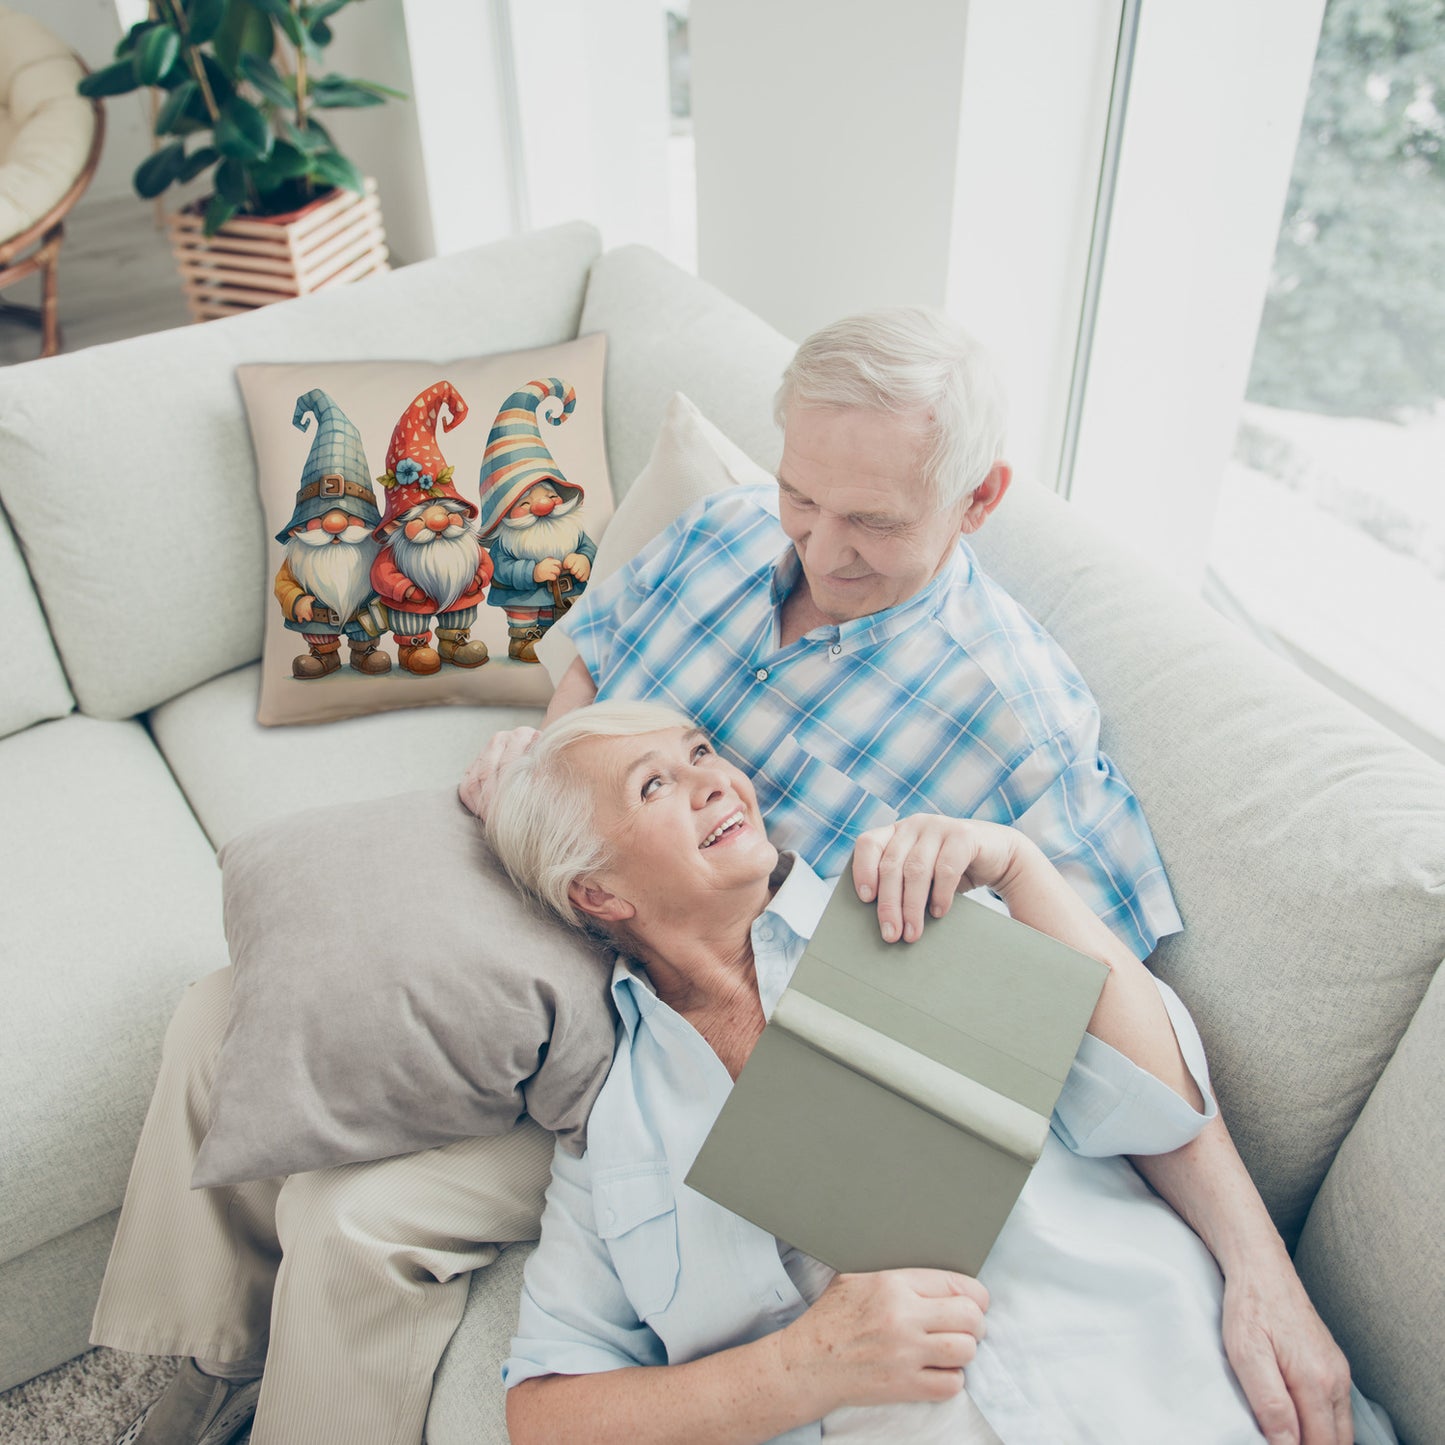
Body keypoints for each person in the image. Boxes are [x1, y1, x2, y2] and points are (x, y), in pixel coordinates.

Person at [95, 309, 1348, 1445]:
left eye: (871, 520)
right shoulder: (725, 533)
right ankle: (189, 1367)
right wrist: (546, 763)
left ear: (976, 501)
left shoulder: (1016, 724)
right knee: (228, 1008)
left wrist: (1259, 1266)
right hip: (582, 888)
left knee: (355, 1219)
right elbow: (590, 668)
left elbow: (1103, 1019)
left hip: (693, 1012)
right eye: (804, 495)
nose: (818, 545)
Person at [487, 702, 1385, 1445]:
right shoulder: (614, 1132)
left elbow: (1158, 1106)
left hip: (1173, 1393)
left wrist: (1020, 868)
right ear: (597, 893)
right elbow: (544, 1414)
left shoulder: (909, 907)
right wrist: (804, 1366)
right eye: (655, 784)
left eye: (700, 752)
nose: (715, 779)